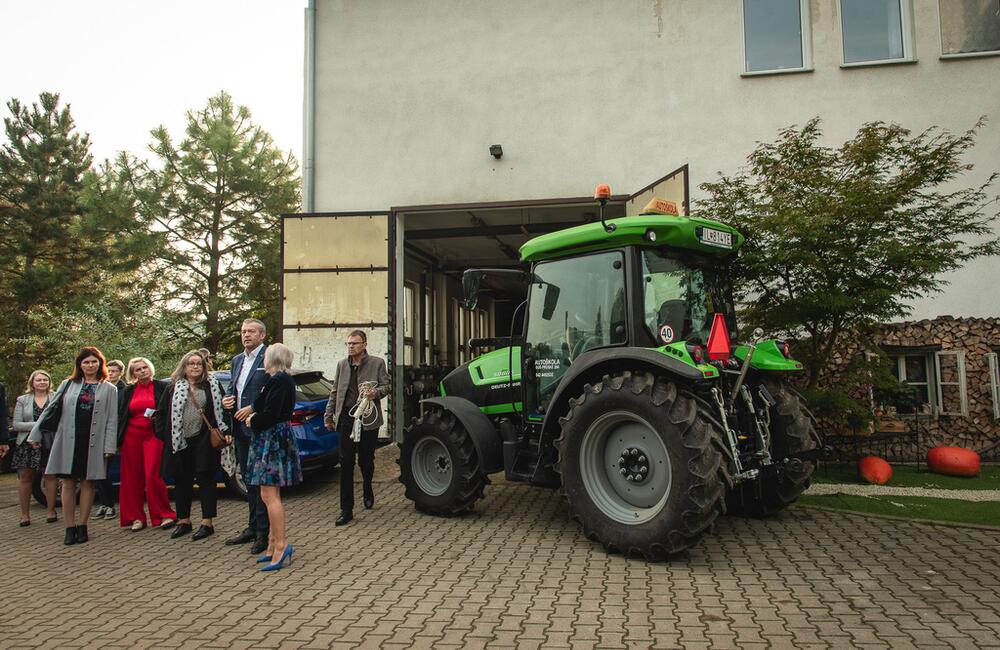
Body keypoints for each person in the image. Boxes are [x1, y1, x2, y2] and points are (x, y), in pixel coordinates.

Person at [28, 347, 118, 546]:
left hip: (93, 443)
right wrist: (36, 433)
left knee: (88, 483)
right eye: (86, 362)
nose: (90, 365)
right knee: (68, 483)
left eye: (94, 361)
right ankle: (69, 527)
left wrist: (109, 446)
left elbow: (112, 419)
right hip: (68, 440)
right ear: (80, 364)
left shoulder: (109, 388)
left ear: (100, 364)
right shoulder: (68, 384)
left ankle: (83, 525)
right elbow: (50, 410)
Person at [234, 343, 302, 571]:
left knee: (269, 494)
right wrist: (252, 411)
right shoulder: (277, 380)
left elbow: (271, 413)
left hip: (272, 439)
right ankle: (272, 544)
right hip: (272, 439)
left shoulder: (278, 380)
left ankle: (281, 545)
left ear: (271, 359)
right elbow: (263, 405)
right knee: (268, 494)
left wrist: (253, 420)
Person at [155, 350, 230, 541]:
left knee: (206, 480)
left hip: (204, 439)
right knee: (182, 481)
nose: (195, 367)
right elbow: (161, 413)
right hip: (180, 442)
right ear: (184, 367)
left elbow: (223, 409)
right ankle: (184, 521)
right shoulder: (172, 387)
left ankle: (207, 523)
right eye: (191, 364)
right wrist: (165, 435)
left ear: (204, 367)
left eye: (199, 364)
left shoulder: (212, 385)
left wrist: (227, 430)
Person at [323, 329, 389, 526]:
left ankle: (367, 487)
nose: (351, 346)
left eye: (355, 343)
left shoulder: (377, 363)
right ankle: (346, 509)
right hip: (346, 419)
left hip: (367, 418)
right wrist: (328, 415)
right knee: (346, 462)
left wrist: (374, 393)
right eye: (349, 343)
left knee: (366, 460)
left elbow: (387, 386)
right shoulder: (342, 365)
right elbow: (335, 392)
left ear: (364, 345)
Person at [222, 318, 270, 554]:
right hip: (240, 429)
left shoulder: (269, 357)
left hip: (260, 429)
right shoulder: (237, 360)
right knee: (249, 480)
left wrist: (254, 409)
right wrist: (227, 400)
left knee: (261, 481)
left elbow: (274, 392)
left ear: (262, 335)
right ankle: (252, 526)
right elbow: (233, 388)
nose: (246, 335)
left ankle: (264, 532)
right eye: (243, 331)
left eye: (251, 331)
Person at [117, 357, 175, 532]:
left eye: (145, 367)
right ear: (132, 373)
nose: (142, 371)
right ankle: (136, 517)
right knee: (132, 478)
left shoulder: (162, 387)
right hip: (131, 436)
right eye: (138, 369)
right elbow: (121, 415)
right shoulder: (128, 391)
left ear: (150, 369)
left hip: (154, 435)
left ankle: (163, 515)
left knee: (152, 475)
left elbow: (169, 411)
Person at [10, 371, 58, 526]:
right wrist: (39, 425)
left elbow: (60, 420)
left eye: (45, 379)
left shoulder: (56, 397)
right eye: (38, 380)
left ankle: (51, 510)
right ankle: (24, 515)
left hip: (50, 442)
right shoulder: (22, 400)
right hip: (27, 443)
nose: (42, 382)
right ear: (32, 382)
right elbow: (17, 424)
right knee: (25, 477)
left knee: (50, 476)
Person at [92, 359, 127, 520]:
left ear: (121, 372)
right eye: (109, 370)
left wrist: (117, 441)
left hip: (116, 437)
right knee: (98, 472)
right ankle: (104, 504)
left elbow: (121, 417)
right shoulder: (100, 388)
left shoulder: (124, 390)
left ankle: (110, 505)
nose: (111, 373)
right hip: (99, 435)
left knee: (109, 473)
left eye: (114, 371)